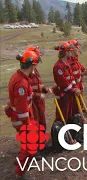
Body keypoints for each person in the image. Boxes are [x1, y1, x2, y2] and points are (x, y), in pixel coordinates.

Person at [6, 50, 40, 179]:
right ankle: (20, 173)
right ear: (32, 66)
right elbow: (22, 109)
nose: (35, 69)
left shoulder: (20, 77)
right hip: (22, 118)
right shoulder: (22, 83)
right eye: (35, 66)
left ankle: (20, 161)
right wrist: (28, 125)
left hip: (22, 116)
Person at [53, 42, 81, 123]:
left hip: (69, 95)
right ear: (66, 52)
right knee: (62, 117)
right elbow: (63, 83)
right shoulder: (58, 66)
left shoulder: (66, 64)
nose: (71, 53)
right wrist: (74, 90)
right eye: (70, 51)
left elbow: (72, 78)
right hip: (63, 96)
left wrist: (75, 87)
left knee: (69, 115)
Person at [25, 46, 51, 130]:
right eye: (37, 56)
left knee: (42, 122)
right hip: (32, 104)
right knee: (35, 123)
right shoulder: (26, 73)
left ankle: (42, 141)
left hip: (39, 103)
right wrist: (38, 95)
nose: (38, 59)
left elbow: (38, 84)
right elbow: (27, 93)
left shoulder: (35, 70)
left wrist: (45, 89)